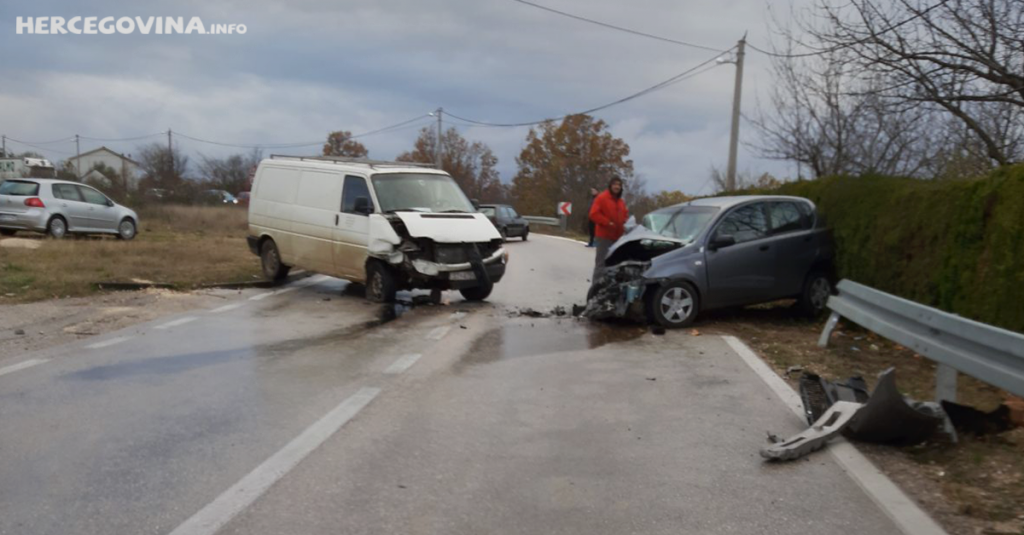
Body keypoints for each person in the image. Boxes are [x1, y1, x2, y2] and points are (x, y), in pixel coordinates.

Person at [589, 177, 628, 280]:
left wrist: (626, 224)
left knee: (614, 265)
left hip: (618, 238)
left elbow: (625, 216)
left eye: (619, 185)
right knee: (601, 264)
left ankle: (609, 287)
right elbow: (593, 214)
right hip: (604, 237)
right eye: (615, 184)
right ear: (610, 186)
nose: (617, 187)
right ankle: (595, 287)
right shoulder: (602, 198)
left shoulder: (621, 202)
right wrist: (608, 223)